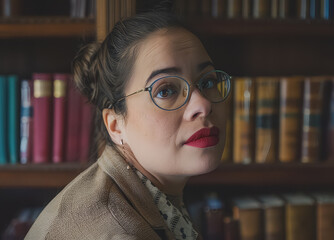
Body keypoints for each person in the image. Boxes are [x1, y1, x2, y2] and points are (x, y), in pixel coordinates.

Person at [26, 10, 231, 240]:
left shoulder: (158, 195)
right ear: (115, 126)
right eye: (166, 90)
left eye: (209, 81)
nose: (203, 104)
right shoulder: (117, 232)